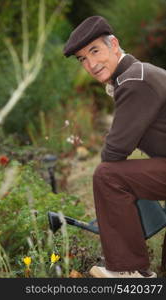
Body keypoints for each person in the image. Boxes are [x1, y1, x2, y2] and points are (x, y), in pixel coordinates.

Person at [63, 16, 166, 278]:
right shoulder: (135, 74)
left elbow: (114, 151)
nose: (91, 64)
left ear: (114, 45)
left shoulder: (134, 80)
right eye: (82, 58)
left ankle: (128, 269)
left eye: (95, 51)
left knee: (108, 175)